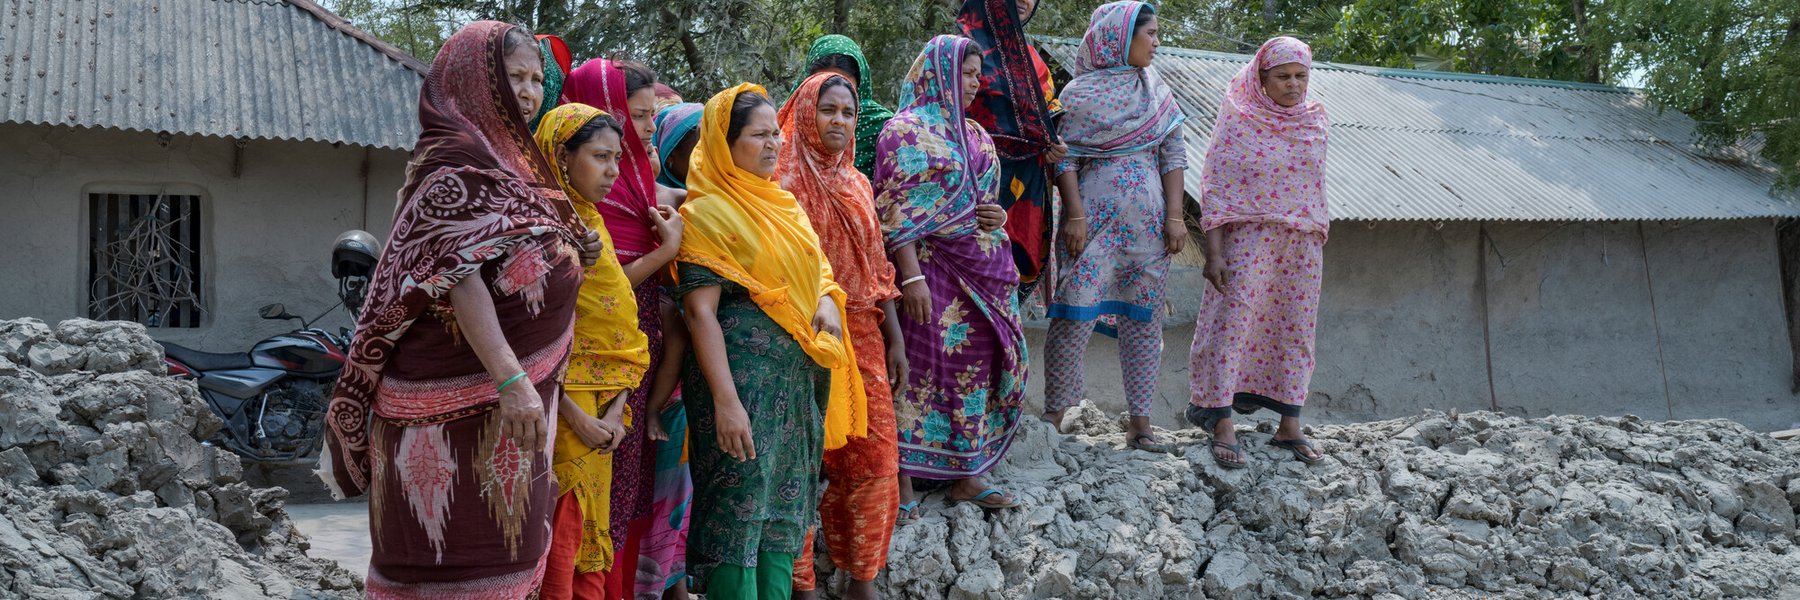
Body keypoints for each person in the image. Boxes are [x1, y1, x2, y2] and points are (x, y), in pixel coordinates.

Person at [317, 21, 594, 597]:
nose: (527, 91)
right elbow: (455, 273)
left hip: (508, 405)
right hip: (459, 406)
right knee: (452, 564)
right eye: (511, 76)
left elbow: (523, 254)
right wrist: (511, 377)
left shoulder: (515, 165)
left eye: (536, 79)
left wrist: (576, 248)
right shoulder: (457, 157)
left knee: (501, 558)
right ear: (473, 81)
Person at [676, 83, 866, 599]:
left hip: (795, 391)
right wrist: (726, 403)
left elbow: (818, 271)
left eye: (775, 134)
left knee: (783, 517)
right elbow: (700, 312)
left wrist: (827, 300)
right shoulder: (707, 213)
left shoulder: (785, 206)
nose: (772, 145)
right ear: (724, 143)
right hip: (741, 391)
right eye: (757, 135)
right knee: (737, 516)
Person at [876, 35, 1027, 515]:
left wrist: (997, 217)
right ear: (937, 72)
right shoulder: (903, 133)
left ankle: (965, 473)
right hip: (929, 270)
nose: (974, 82)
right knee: (918, 367)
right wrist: (911, 277)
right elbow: (893, 208)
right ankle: (901, 478)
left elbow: (985, 202)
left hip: (983, 274)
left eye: (977, 73)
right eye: (965, 72)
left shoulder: (978, 134)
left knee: (975, 369)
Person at [779, 72, 906, 600]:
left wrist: (893, 337)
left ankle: (861, 577)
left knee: (875, 458)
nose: (838, 121)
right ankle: (801, 583)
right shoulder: (780, 182)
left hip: (862, 331)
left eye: (847, 113)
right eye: (828, 110)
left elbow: (876, 269)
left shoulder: (857, 183)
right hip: (797, 332)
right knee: (801, 455)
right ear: (807, 111)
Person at [562, 57, 685, 596]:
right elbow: (617, 281)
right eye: (635, 117)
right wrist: (671, 249)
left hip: (638, 360)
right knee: (587, 499)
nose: (643, 132)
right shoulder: (581, 199)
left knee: (629, 493)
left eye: (649, 121)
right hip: (585, 371)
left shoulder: (637, 189)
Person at [1042, 2, 1187, 452]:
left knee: (1143, 322)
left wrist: (1176, 217)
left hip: (1148, 232)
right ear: (1121, 39)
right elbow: (1063, 155)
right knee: (1073, 314)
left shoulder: (1157, 92)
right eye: (1151, 34)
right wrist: (1075, 215)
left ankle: (1141, 424)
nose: (1157, 42)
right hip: (1092, 230)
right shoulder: (1080, 95)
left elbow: (1173, 156)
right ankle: (1053, 416)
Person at [1186, 36, 1330, 468]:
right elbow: (1216, 188)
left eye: (1300, 76)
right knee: (1233, 322)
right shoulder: (1239, 118)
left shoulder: (1315, 120)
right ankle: (1221, 421)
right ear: (1261, 78)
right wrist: (1214, 254)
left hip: (1301, 241)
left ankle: (1290, 425)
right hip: (1248, 240)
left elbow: (1315, 185)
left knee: (1296, 327)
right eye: (1283, 76)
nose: (1293, 84)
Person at [533, 103, 653, 600]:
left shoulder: (590, 224)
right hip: (564, 411)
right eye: (600, 157)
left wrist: (619, 409)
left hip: (605, 411)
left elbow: (617, 331)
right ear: (562, 157)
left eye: (616, 159)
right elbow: (537, 337)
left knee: (590, 535)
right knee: (564, 536)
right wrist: (578, 417)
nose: (612, 172)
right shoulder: (542, 232)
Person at [958, 0, 1069, 299]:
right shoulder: (959, 52)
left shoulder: (1033, 60)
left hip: (1023, 194)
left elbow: (1046, 124)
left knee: (1008, 292)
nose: (1024, 1)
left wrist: (1049, 146)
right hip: (968, 187)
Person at [798, 35, 894, 181]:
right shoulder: (787, 124)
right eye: (824, 83)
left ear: (859, 84)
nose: (835, 89)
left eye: (845, 83)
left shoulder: (884, 128)